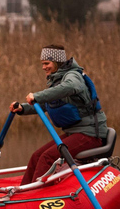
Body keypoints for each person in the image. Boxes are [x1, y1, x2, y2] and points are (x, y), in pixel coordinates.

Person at [10, 44, 108, 185]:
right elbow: (46, 104)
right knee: (36, 156)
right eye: (42, 64)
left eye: (46, 63)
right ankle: (23, 194)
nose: (43, 67)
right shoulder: (58, 81)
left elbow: (71, 87)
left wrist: (37, 96)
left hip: (90, 134)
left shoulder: (72, 76)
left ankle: (38, 195)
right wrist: (22, 109)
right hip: (75, 133)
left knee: (47, 157)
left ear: (57, 62)